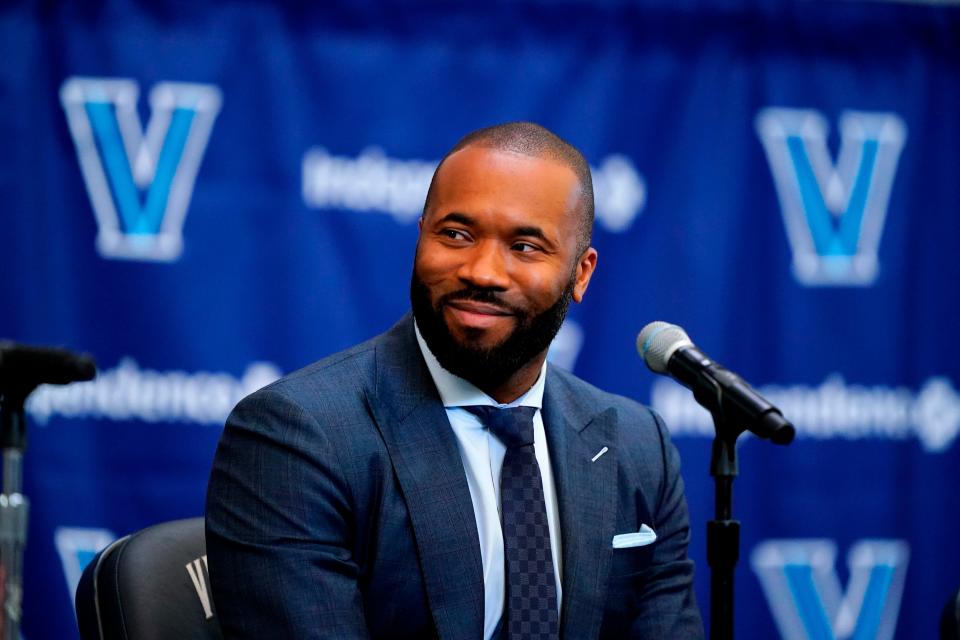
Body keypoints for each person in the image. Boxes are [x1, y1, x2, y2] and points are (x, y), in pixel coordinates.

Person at [205, 122, 703, 639]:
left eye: (526, 246)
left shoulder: (637, 445)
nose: (483, 271)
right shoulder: (300, 435)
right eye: (456, 235)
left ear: (581, 274)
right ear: (421, 236)